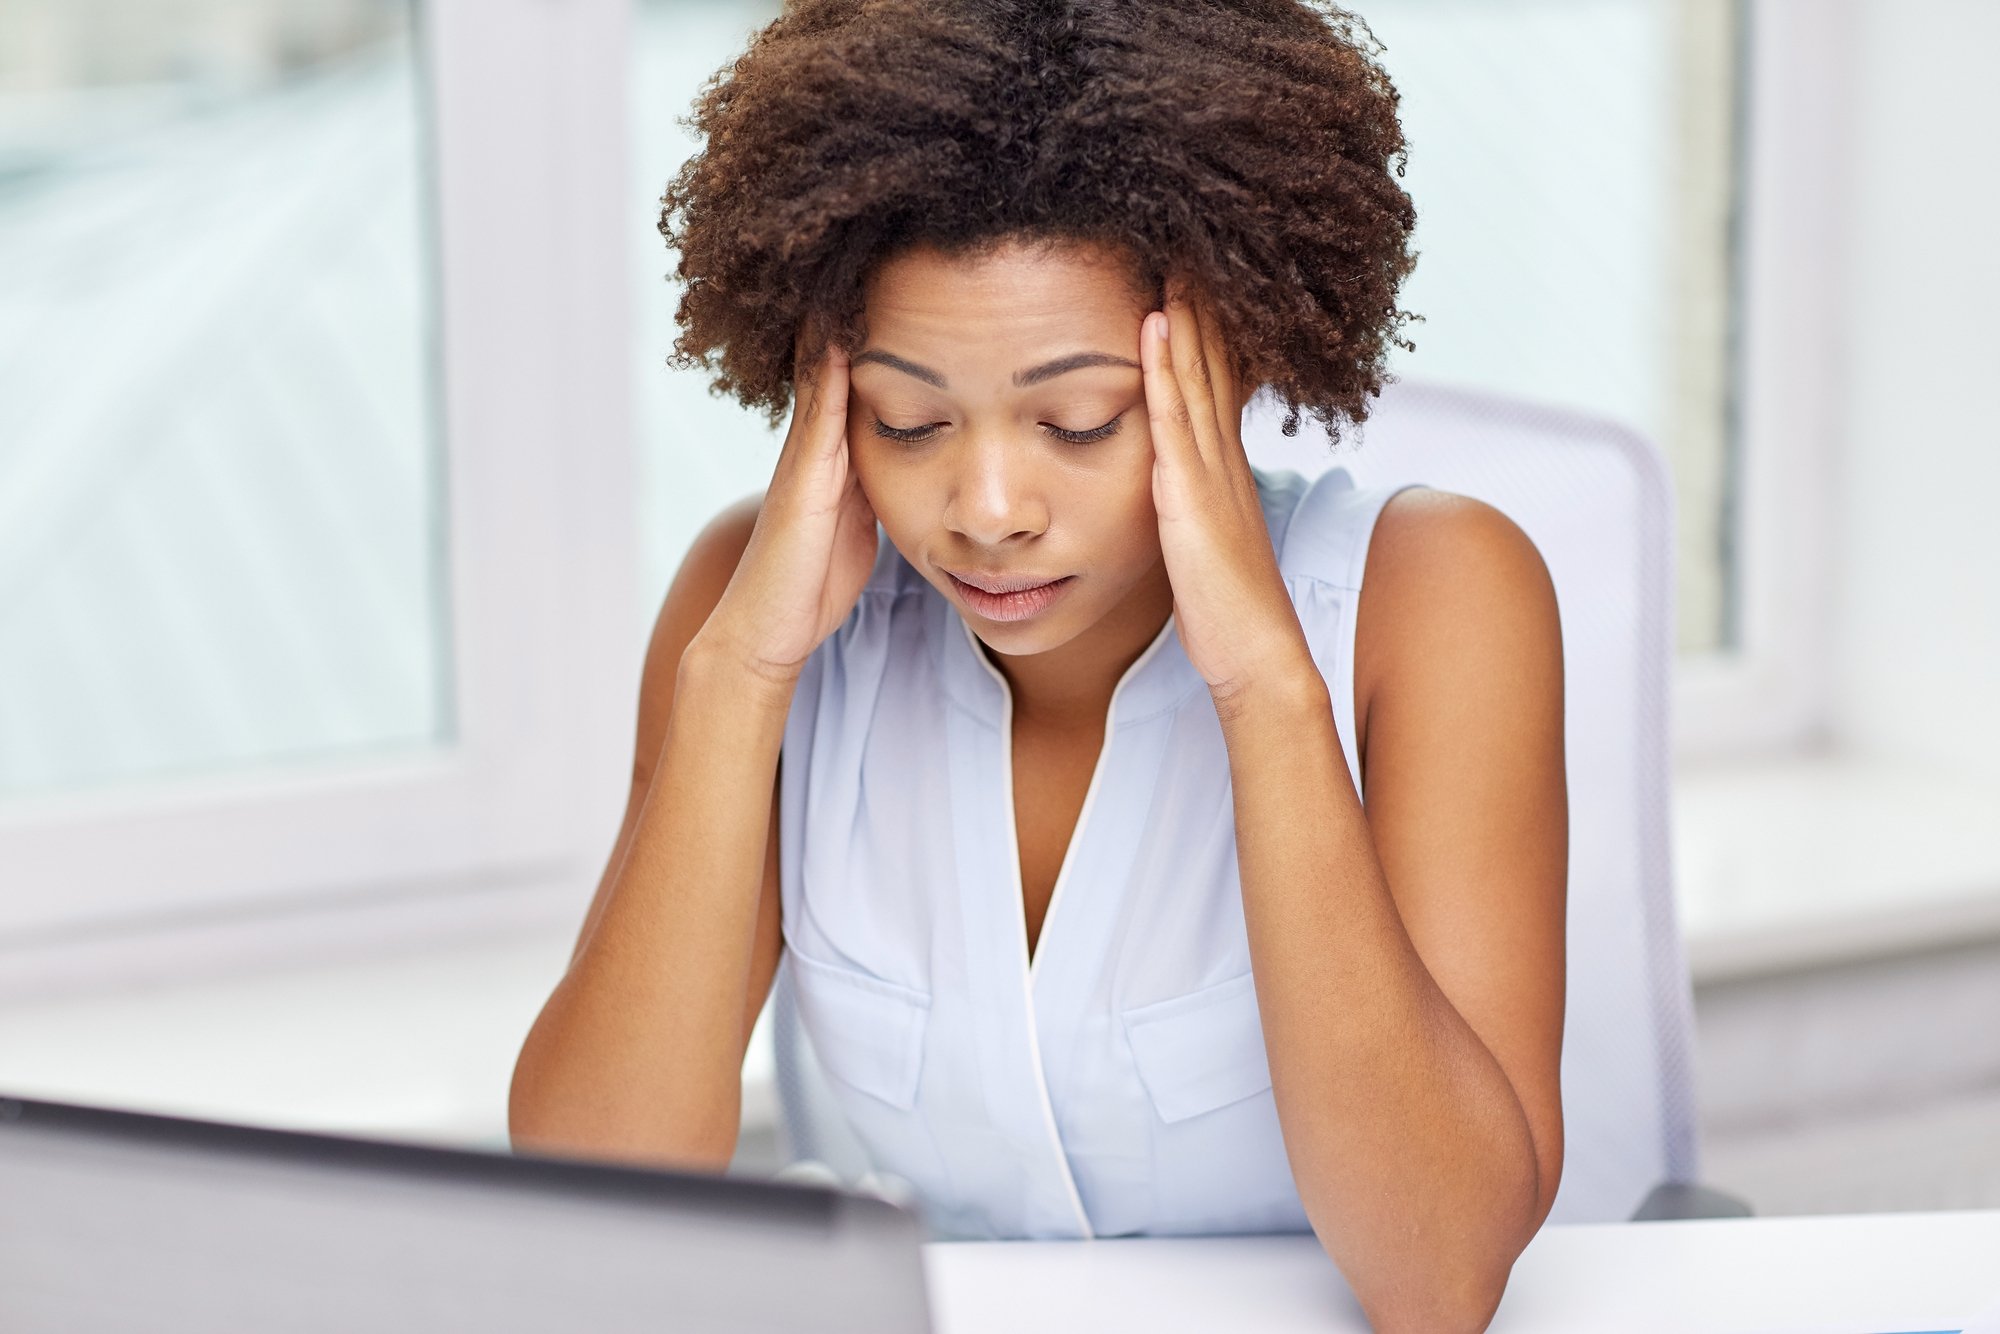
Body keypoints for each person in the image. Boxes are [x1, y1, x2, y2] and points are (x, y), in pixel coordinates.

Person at [509, 2, 1567, 1330]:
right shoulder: (756, 623)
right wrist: (734, 686)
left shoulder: (1432, 601)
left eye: (1077, 422)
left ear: (1231, 364)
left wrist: (1261, 684)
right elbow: (593, 1213)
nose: (989, 504)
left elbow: (1442, 1277)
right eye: (910, 421)